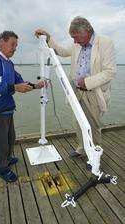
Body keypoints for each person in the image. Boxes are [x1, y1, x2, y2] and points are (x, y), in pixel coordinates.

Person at [35, 16, 116, 157]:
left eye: (75, 37)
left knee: (93, 125)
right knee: (78, 122)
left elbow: (110, 72)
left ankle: (95, 155)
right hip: (76, 90)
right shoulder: (77, 44)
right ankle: (82, 148)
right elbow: (61, 51)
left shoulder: (105, 43)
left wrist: (88, 82)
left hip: (93, 91)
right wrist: (48, 38)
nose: (74, 41)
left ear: (86, 31)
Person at [0, 31, 44, 182]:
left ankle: (7, 158)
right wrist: (15, 87)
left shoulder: (8, 62)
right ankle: (3, 168)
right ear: (1, 41)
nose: (15, 48)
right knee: (1, 141)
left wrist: (36, 85)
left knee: (10, 137)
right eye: (12, 44)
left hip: (7, 107)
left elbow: (19, 81)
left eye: (16, 46)